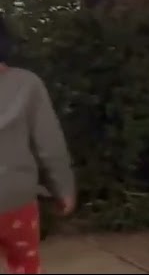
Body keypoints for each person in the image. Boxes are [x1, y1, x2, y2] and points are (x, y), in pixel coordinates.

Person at [0, 19, 75, 274]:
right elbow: (50, 144)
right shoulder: (27, 84)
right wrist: (63, 188)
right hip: (17, 198)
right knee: (25, 264)